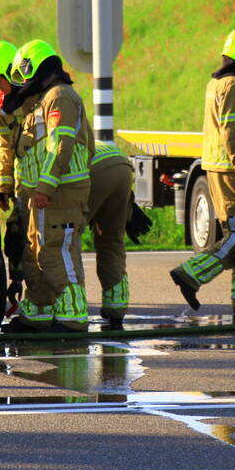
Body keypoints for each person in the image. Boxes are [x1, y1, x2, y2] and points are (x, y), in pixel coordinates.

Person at [169, 25, 235, 319]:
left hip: (223, 168)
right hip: (231, 171)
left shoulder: (219, 84)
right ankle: (190, 273)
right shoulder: (234, 87)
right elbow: (234, 133)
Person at [1, 40, 93, 333]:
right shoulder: (44, 100)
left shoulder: (60, 96)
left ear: (35, 67)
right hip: (44, 192)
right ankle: (38, 312)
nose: (24, 83)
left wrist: (45, 187)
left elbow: (60, 146)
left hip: (60, 190)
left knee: (57, 249)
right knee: (35, 252)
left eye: (25, 75)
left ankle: (73, 316)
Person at [0, 41, 52, 322]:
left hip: (45, 187)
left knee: (41, 246)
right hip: (24, 186)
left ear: (11, 72)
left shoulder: (42, 97)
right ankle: (28, 295)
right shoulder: (5, 107)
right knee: (18, 238)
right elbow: (5, 146)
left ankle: (41, 303)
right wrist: (2, 185)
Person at [87, 141, 135, 330]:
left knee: (65, 241)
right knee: (112, 239)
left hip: (95, 171)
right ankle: (116, 310)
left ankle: (68, 312)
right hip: (121, 164)